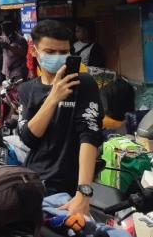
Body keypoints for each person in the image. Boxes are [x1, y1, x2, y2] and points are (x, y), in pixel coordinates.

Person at [18, 19, 104, 218]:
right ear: (34, 52)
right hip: (35, 182)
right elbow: (29, 138)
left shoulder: (83, 84)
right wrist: (54, 97)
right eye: (49, 52)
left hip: (71, 188)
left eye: (63, 52)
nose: (57, 57)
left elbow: (89, 135)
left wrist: (83, 192)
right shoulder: (27, 89)